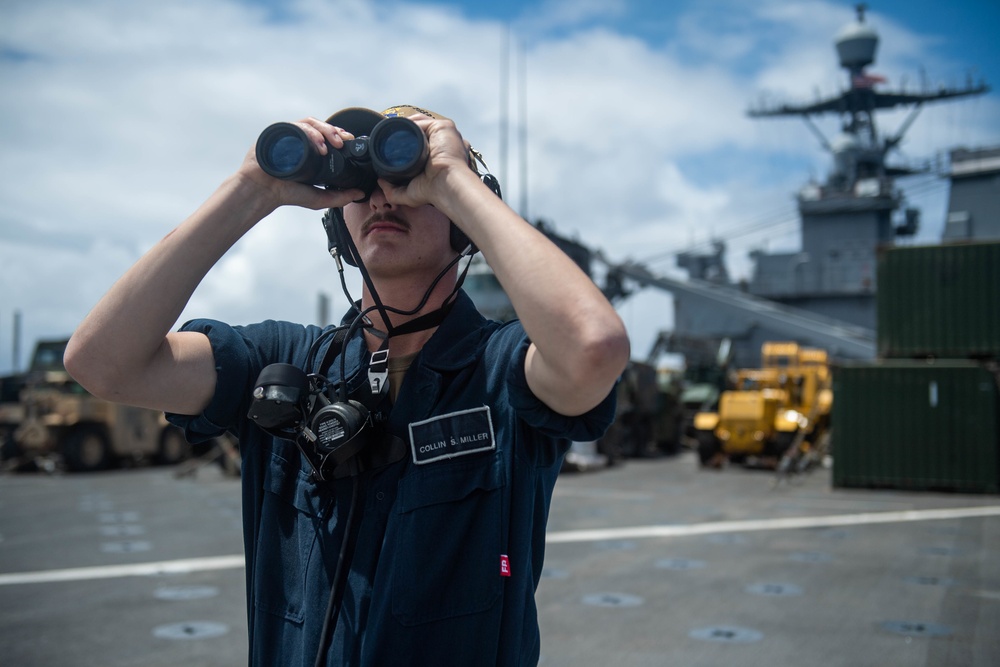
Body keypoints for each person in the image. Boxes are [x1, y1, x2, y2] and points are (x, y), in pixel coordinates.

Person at [65, 103, 630, 666]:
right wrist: (251, 190)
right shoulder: (283, 361)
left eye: (407, 177)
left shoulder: (502, 371)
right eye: (364, 184)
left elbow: (592, 349)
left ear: (462, 224)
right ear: (338, 221)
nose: (384, 196)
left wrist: (452, 180)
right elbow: (102, 363)